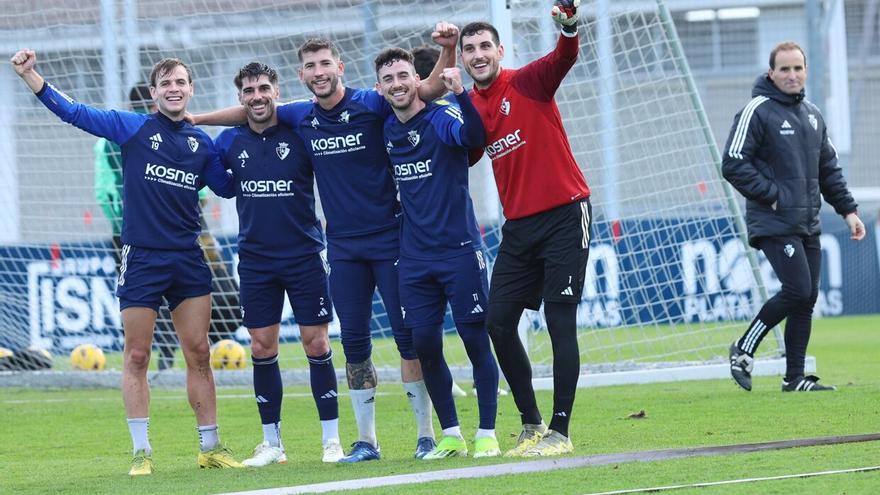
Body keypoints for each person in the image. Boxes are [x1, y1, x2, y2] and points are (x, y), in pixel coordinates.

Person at [192, 25, 458, 462]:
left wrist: (447, 52)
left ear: (340, 66)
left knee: (407, 340)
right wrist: (198, 120)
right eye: (310, 66)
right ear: (302, 74)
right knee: (354, 344)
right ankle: (366, 441)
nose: (319, 72)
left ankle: (426, 434)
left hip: (390, 240)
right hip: (343, 249)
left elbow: (425, 90)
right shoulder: (300, 115)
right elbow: (253, 112)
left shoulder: (371, 102)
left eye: (324, 64)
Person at [10, 50, 242, 475]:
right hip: (142, 257)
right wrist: (31, 76)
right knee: (137, 355)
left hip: (188, 258)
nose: (174, 89)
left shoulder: (200, 143)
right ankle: (142, 451)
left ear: (191, 90)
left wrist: (246, 135)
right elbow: (76, 113)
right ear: (154, 94)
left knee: (200, 353)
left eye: (180, 82)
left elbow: (227, 187)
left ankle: (210, 447)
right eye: (165, 83)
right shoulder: (133, 128)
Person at [457, 0, 591, 457]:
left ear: (499, 50)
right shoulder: (470, 106)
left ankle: (561, 431)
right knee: (497, 322)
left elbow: (564, 57)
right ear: (463, 58)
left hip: (564, 216)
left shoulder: (528, 82)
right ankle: (531, 424)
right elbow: (468, 151)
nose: (478, 54)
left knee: (559, 323)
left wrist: (569, 26)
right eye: (469, 48)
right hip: (518, 228)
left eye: (485, 46)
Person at [213, 62, 343, 465]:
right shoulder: (228, 143)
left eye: (264, 88)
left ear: (277, 91)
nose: (257, 96)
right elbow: (218, 181)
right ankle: (272, 444)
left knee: (317, 343)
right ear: (239, 98)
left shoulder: (301, 133)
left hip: (304, 256)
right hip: (255, 261)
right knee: (261, 346)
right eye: (249, 90)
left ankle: (331, 441)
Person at [375, 48, 500, 459]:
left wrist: (462, 94)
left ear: (416, 79)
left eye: (403, 75)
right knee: (424, 344)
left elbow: (474, 139)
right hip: (414, 259)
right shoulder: (385, 129)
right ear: (380, 88)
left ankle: (486, 432)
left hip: (460, 251)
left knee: (474, 340)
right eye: (388, 78)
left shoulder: (441, 115)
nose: (397, 83)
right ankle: (450, 433)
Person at [722, 41, 865, 393]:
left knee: (807, 297)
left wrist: (848, 211)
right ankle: (744, 348)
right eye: (784, 69)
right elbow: (733, 163)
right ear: (771, 73)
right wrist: (773, 197)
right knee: (797, 289)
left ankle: (795, 377)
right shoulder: (757, 111)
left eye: (797, 68)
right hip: (773, 221)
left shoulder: (813, 115)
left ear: (805, 71)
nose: (792, 75)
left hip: (807, 222)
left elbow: (828, 170)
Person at [94, 85, 240, 371]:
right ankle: (194, 344)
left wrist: (121, 219)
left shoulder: (108, 140)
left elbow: (104, 192)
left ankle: (166, 350)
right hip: (186, 226)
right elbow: (198, 188)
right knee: (220, 292)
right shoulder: (159, 131)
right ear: (151, 101)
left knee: (145, 304)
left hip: (128, 234)